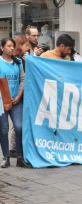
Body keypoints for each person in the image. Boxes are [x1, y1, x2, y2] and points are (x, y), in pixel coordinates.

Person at [0, 38, 30, 168]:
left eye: (13, 46)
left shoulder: (17, 62)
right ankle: (6, 157)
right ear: (2, 48)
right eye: (9, 46)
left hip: (16, 101)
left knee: (19, 127)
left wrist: (18, 95)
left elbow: (23, 79)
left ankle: (20, 157)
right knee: (4, 129)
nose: (12, 48)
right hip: (1, 102)